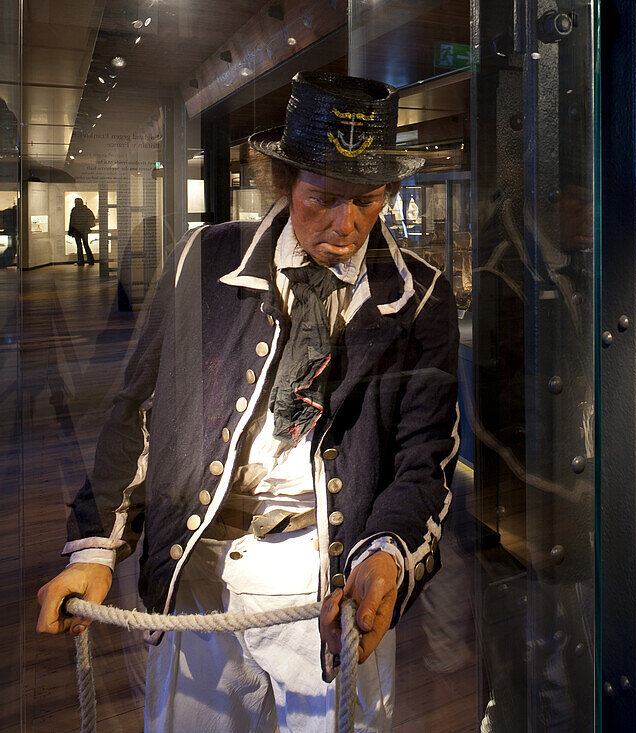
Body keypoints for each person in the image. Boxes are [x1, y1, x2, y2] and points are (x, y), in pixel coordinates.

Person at [36, 72, 460, 732]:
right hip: (197, 570)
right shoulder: (201, 261)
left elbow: (423, 458)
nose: (345, 226)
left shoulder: (420, 297)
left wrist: (386, 557)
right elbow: (136, 407)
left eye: (366, 200)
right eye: (322, 198)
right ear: (282, 183)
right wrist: (94, 547)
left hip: (329, 586)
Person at [68, 197, 97, 266]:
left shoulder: (74, 210)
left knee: (79, 246)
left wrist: (70, 231)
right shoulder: (87, 210)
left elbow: (72, 221)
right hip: (84, 230)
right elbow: (92, 219)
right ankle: (91, 260)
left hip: (76, 231)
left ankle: (80, 262)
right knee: (86, 245)